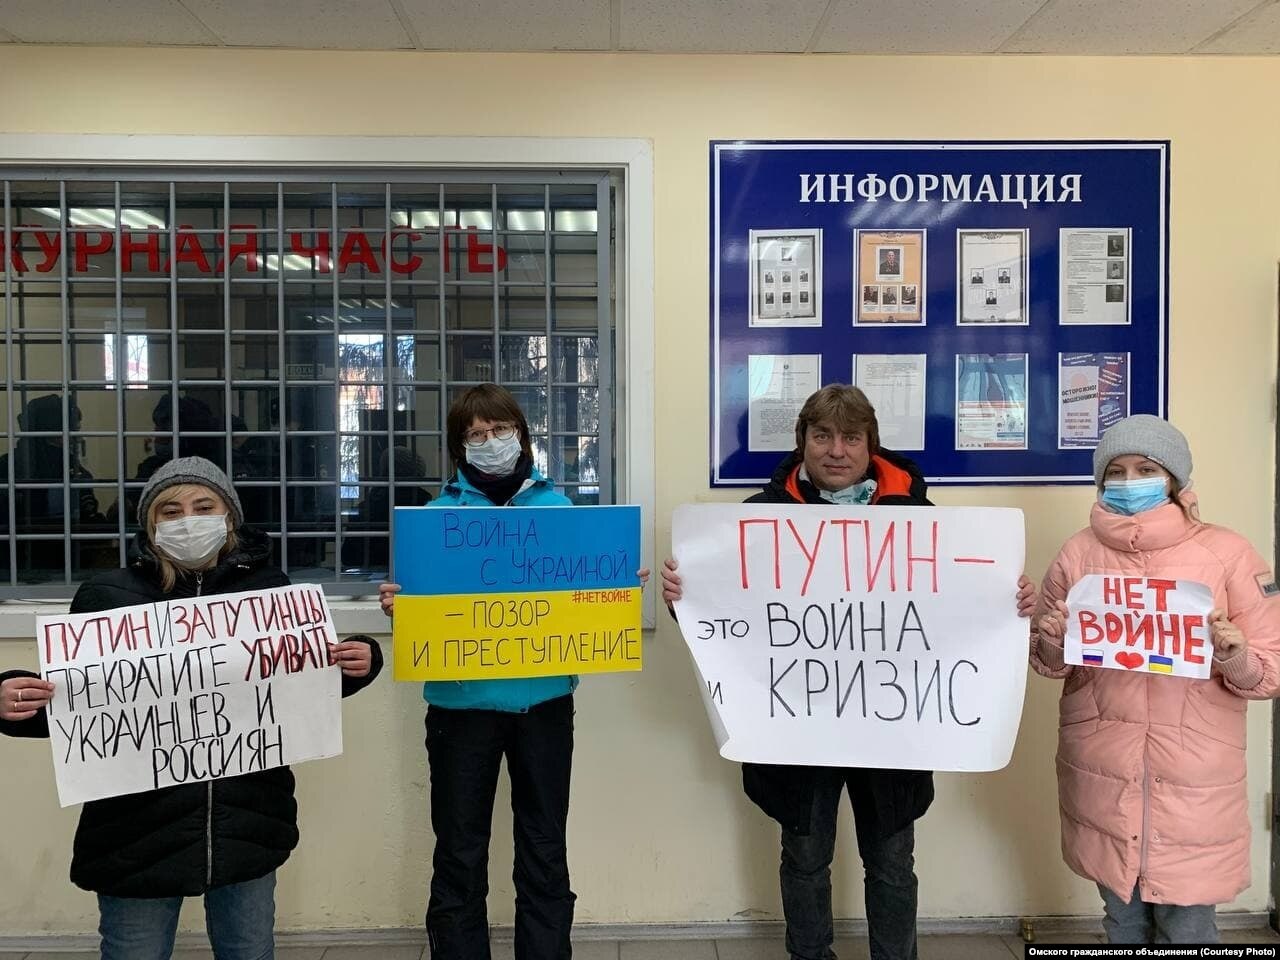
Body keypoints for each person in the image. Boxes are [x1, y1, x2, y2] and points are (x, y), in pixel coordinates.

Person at [661, 384, 1035, 960]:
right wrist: (684, 596)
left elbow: (957, 606)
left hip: (891, 725)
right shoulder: (759, 517)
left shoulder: (917, 517)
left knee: (892, 860)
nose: (836, 450)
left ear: (870, 445)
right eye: (822, 436)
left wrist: (1008, 598)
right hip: (798, 725)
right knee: (804, 857)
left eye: (851, 438)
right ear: (802, 442)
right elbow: (727, 616)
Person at [0, 456, 383, 960]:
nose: (188, 520)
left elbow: (293, 689)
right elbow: (79, 708)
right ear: (150, 524)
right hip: (134, 835)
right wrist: (14, 699)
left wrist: (358, 664)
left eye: (204, 507)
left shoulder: (268, 591)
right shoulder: (107, 596)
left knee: (249, 951)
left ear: (229, 517)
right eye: (171, 510)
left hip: (246, 823)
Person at [379, 383, 646, 960]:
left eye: (500, 429)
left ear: (522, 435)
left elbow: (584, 600)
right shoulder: (435, 521)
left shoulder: (560, 512)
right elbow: (421, 610)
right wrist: (401, 606)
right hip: (459, 710)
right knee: (459, 852)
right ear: (459, 447)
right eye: (476, 434)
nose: (491, 441)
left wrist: (616, 589)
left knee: (545, 848)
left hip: (544, 707)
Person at [1030, 415, 1280, 944]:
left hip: (1194, 779)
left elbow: (1268, 673)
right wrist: (1051, 639)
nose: (1129, 481)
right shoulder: (1077, 554)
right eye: (1116, 471)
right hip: (1102, 772)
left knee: (1188, 928)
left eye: (1146, 469)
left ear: (1174, 478)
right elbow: (1050, 663)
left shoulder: (1228, 553)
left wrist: (1233, 656)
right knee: (1121, 923)